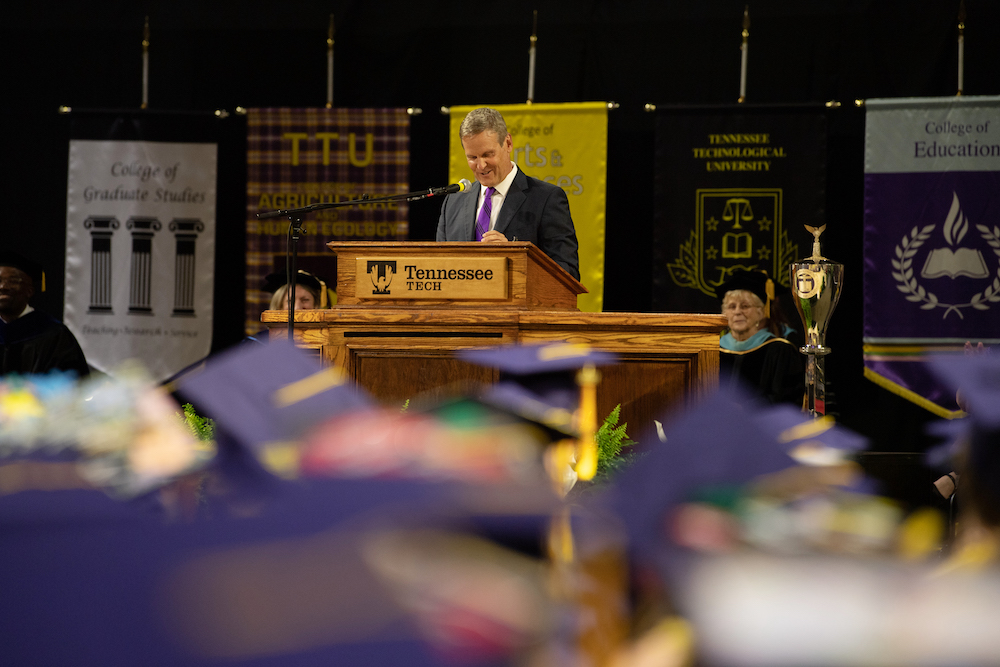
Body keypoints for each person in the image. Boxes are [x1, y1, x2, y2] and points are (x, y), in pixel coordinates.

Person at [436, 107, 581, 281]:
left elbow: (568, 273)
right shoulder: (453, 202)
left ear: (508, 143)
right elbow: (440, 271)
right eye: (472, 157)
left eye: (488, 154)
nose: (481, 166)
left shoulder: (546, 199)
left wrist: (516, 258)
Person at [716, 270, 803, 405]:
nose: (738, 311)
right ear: (724, 313)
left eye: (745, 306)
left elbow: (785, 400)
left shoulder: (780, 351)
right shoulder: (713, 351)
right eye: (731, 307)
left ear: (760, 312)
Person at [0, 251, 89, 377]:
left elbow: (70, 384)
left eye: (13, 281)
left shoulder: (54, 334)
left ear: (29, 291)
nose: (3, 287)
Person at [264, 270, 336, 311]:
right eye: (290, 301)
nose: (297, 308)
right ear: (279, 306)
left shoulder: (326, 337)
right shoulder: (264, 337)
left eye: (305, 300)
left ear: (316, 305)